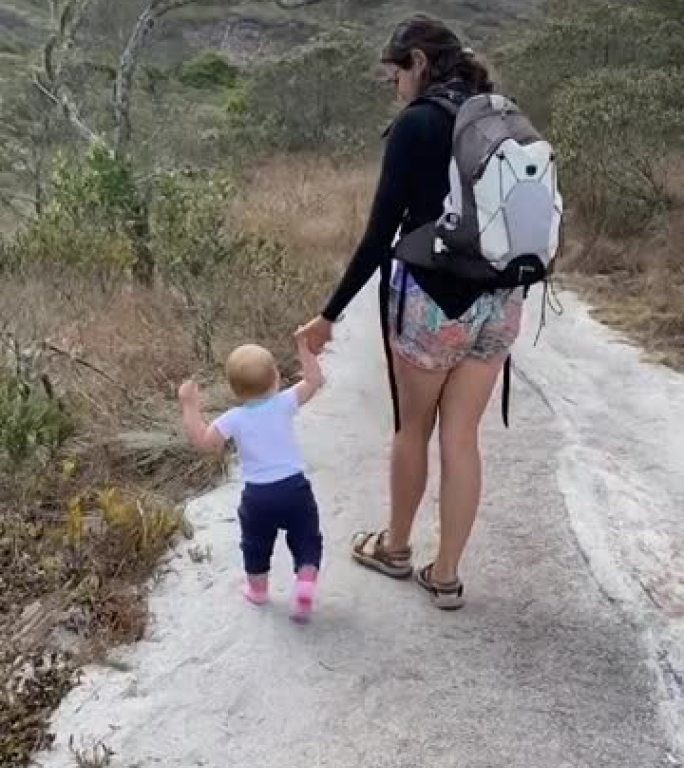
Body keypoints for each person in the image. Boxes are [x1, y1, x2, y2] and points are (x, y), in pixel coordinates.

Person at [296, 14, 523, 610]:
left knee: (413, 428)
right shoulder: (499, 113)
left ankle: (395, 549)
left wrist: (328, 315)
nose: (392, 85)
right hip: (501, 301)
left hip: (432, 303)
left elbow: (378, 238)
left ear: (417, 63)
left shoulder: (417, 125)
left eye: (393, 73)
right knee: (463, 436)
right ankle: (445, 575)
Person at [178, 339, 324, 622]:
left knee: (255, 543)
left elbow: (204, 442)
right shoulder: (285, 402)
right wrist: (305, 349)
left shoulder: (234, 418)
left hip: (258, 497)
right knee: (307, 537)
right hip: (295, 489)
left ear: (234, 390)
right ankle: (305, 581)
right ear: (277, 378)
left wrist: (189, 405)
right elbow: (314, 380)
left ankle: (258, 590)